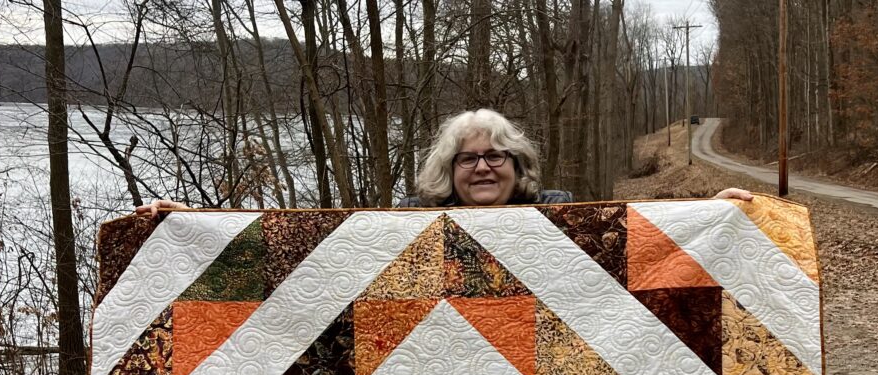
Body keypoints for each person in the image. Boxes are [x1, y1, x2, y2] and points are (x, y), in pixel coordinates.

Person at [134, 107, 752, 218]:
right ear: (449, 172)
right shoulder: (411, 222)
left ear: (517, 164)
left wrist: (710, 215)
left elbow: (637, 240)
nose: (482, 168)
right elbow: (307, 248)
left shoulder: (560, 217)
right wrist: (195, 222)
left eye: (495, 156)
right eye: (468, 159)